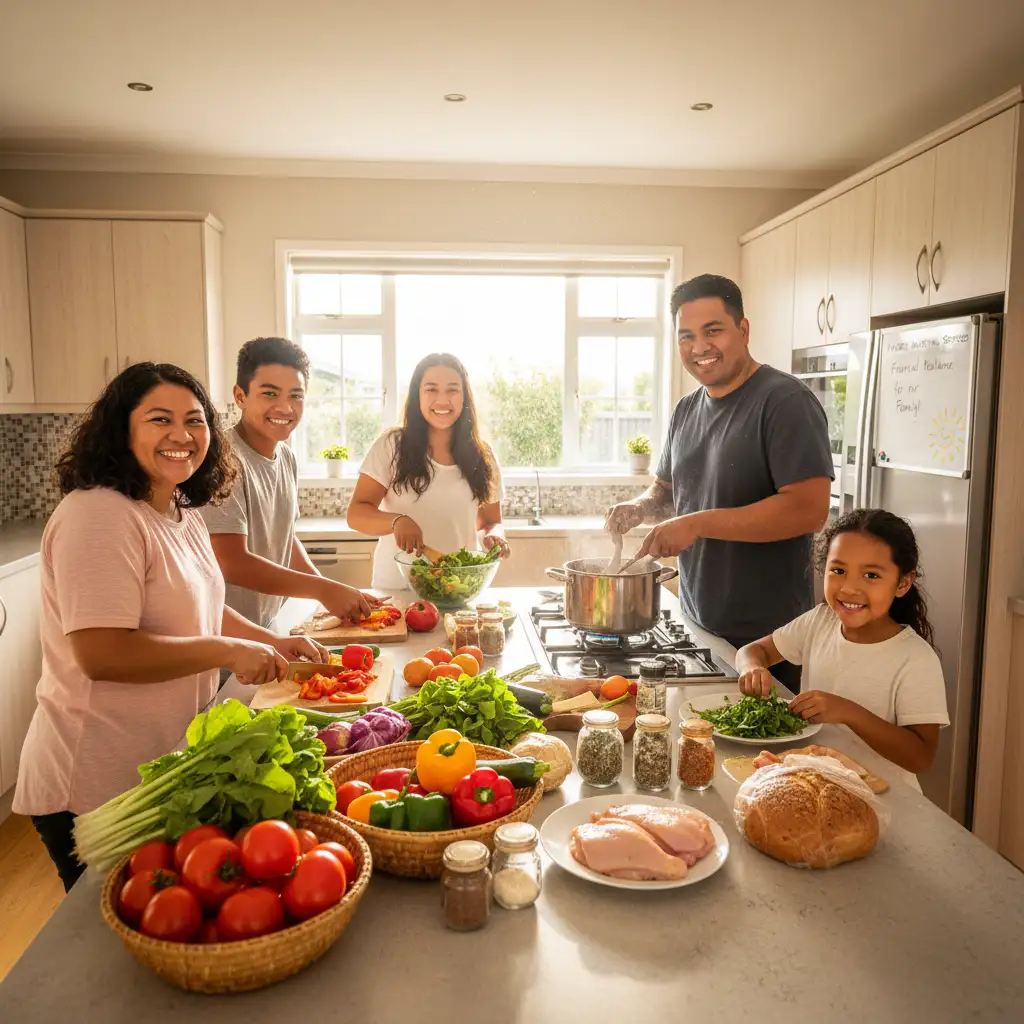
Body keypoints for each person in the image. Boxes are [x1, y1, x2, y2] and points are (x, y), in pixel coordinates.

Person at [13, 362, 326, 891]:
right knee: (107, 948)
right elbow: (103, 654)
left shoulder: (179, 509)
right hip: (95, 777)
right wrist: (227, 651)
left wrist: (271, 640)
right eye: (160, 419)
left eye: (195, 420)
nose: (182, 435)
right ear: (122, 429)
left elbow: (201, 604)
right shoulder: (98, 515)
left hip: (154, 761)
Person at [606, 274, 833, 690]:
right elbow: (667, 492)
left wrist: (695, 524)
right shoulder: (685, 410)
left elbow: (809, 510)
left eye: (713, 331)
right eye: (686, 336)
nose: (699, 347)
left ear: (743, 330)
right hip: (696, 629)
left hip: (767, 646)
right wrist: (639, 508)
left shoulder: (784, 402)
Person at [735, 509, 948, 788]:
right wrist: (753, 667)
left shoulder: (915, 659)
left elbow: (920, 758)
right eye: (839, 571)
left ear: (902, 583)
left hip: (887, 801)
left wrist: (848, 712)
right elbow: (752, 651)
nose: (849, 588)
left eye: (871, 575)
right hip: (818, 785)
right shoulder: (820, 621)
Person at [201, 337, 376, 633]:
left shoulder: (286, 458)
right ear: (240, 396)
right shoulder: (223, 458)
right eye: (269, 393)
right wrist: (322, 590)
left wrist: (328, 592)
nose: (285, 407)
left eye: (296, 395)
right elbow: (232, 562)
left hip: (267, 629)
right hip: (225, 641)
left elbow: (286, 540)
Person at [346, 353, 509, 592]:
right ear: (417, 395)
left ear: (464, 397)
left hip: (458, 590)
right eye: (431, 389)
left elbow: (490, 521)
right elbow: (356, 514)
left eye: (452, 390)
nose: (442, 400)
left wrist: (494, 536)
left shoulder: (483, 454)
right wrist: (397, 521)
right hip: (396, 590)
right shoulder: (391, 445)